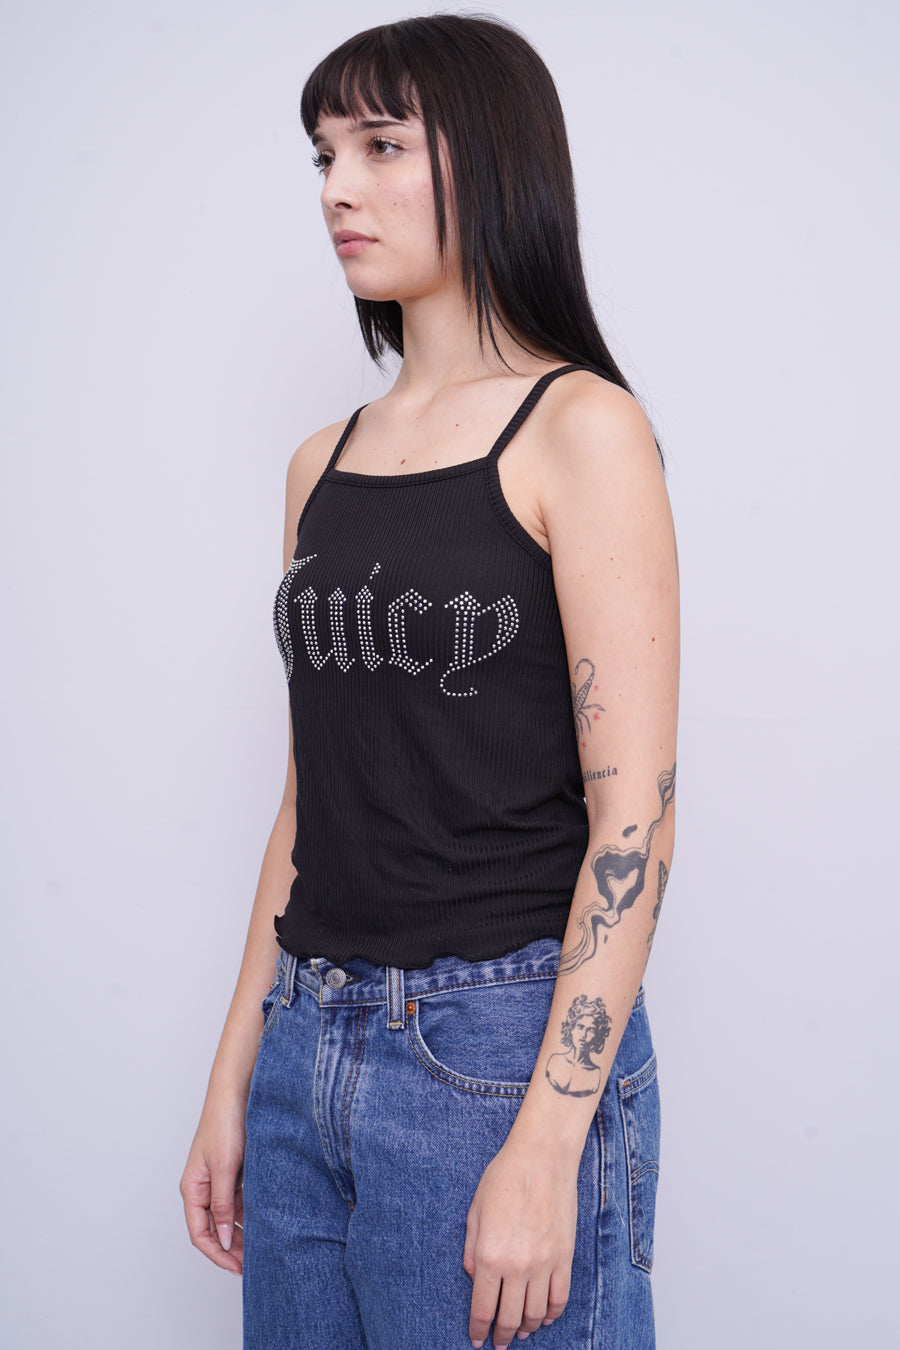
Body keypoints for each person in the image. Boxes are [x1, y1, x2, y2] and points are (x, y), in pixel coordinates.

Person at [180, 14, 679, 1350]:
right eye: (324, 155)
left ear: (492, 157)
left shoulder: (583, 429)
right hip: (307, 1044)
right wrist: (237, 1074)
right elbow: (313, 800)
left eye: (382, 146)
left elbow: (633, 821)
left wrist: (548, 1142)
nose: (337, 189)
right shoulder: (322, 463)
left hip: (494, 1054)